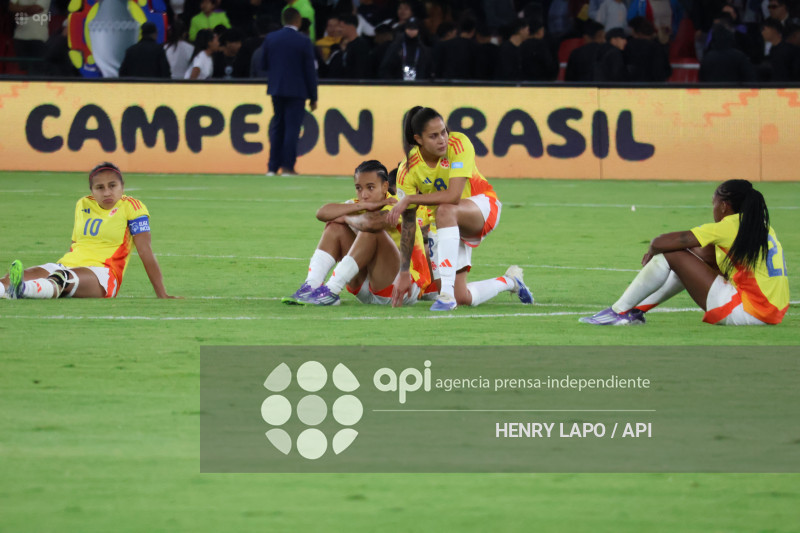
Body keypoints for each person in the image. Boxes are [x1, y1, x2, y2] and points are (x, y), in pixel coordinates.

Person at [580, 180, 789, 326]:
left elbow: (665, 242)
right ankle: (636, 311)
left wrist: (653, 249)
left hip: (748, 312)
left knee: (673, 254)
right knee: (690, 260)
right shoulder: (761, 227)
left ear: (724, 206)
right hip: (770, 312)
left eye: (714, 203)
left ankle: (618, 312)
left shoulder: (728, 226)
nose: (713, 208)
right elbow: (703, 259)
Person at [387, 106, 534, 311]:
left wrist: (410, 198)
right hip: (445, 225)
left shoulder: (458, 144)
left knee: (445, 209)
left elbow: (453, 196)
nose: (442, 139)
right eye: (434, 136)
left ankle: (446, 297)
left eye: (443, 132)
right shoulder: (407, 170)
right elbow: (409, 223)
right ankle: (511, 281)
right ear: (418, 139)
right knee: (463, 296)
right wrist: (404, 272)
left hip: (482, 206)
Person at [1, 162, 177, 300]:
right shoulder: (83, 204)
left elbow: (145, 251)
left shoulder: (133, 207)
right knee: (18, 276)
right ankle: (12, 288)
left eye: (112, 185)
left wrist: (161, 293)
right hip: (66, 265)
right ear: (92, 190)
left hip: (104, 274)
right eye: (100, 188)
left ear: (122, 187)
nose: (107, 192)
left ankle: (23, 290)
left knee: (63, 279)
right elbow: (75, 244)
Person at [283, 160, 431, 306]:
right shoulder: (360, 204)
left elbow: (371, 224)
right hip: (366, 289)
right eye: (359, 188)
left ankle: (331, 290)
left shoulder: (397, 204)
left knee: (372, 231)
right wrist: (362, 206)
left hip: (401, 288)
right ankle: (311, 286)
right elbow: (322, 213)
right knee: (335, 227)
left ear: (385, 186)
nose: (364, 194)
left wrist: (346, 217)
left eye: (370, 187)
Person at [260, 7, 318, 176]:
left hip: (276, 88)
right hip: (297, 90)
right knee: (292, 128)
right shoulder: (303, 41)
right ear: (298, 20)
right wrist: (313, 97)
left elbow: (263, 64)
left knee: (278, 126)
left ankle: (271, 167)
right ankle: (287, 167)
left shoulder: (271, 38)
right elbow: (310, 71)